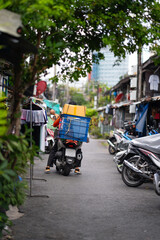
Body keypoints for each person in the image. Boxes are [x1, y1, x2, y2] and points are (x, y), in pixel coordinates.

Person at [45, 103, 81, 174]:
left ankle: (48, 166)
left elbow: (55, 124)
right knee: (78, 150)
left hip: (63, 137)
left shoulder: (63, 116)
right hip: (74, 139)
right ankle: (77, 168)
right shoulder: (78, 118)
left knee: (54, 149)